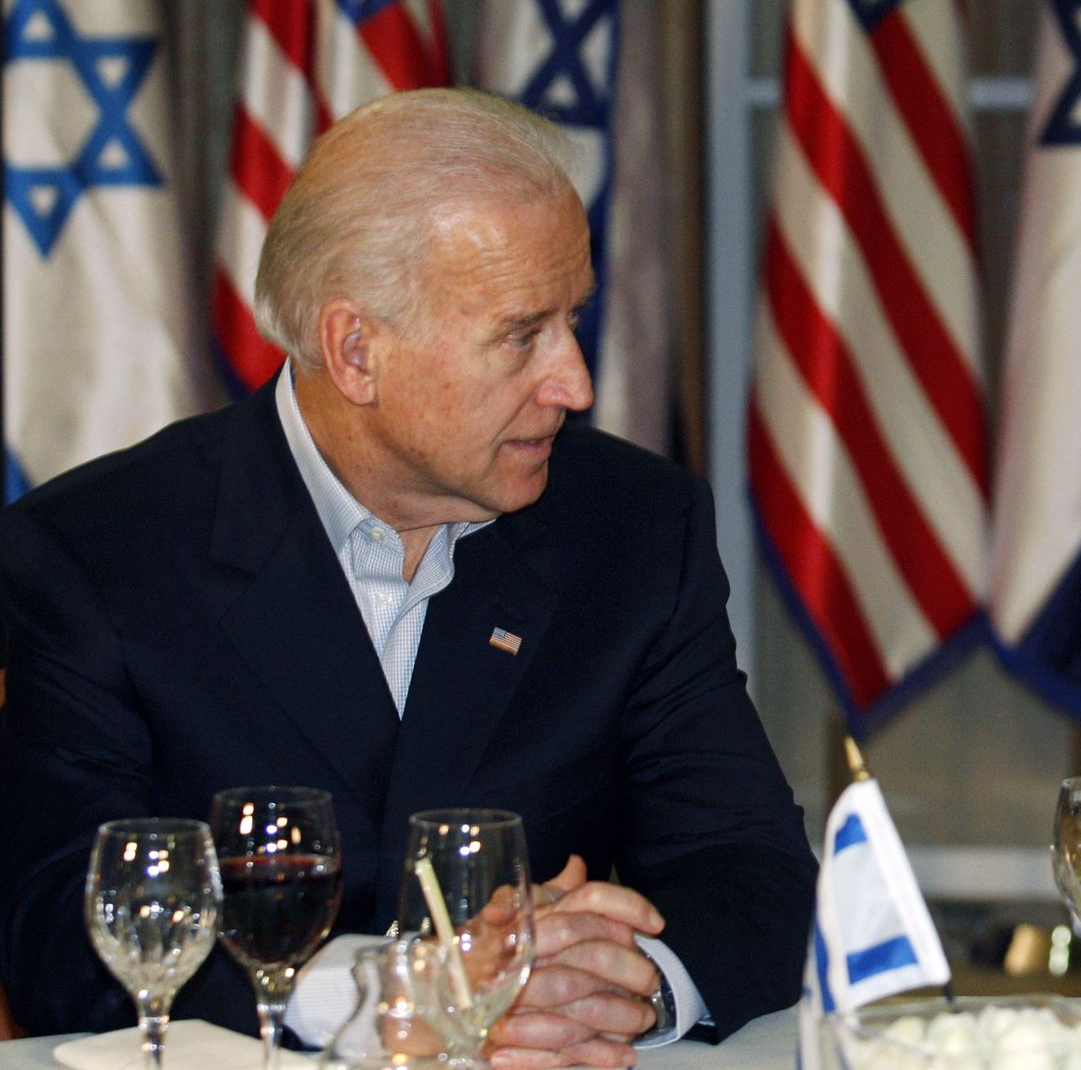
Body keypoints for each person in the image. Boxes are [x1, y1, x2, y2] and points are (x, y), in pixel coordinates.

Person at [0, 89, 815, 1066]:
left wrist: (613, 986)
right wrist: (394, 994)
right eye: (522, 335)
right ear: (356, 350)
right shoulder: (96, 553)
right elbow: (60, 935)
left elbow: (754, 872)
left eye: (573, 321)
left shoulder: (634, 529)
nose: (576, 382)